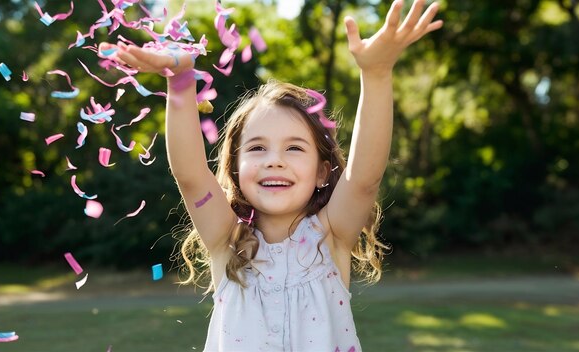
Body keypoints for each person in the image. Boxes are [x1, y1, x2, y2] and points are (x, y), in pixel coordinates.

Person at [102, 0, 442, 350]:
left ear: (323, 172)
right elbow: (190, 176)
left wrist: (377, 73)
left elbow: (365, 178)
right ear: (235, 169)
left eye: (294, 148)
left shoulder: (332, 236)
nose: (274, 161)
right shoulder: (227, 241)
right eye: (257, 148)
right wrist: (181, 78)